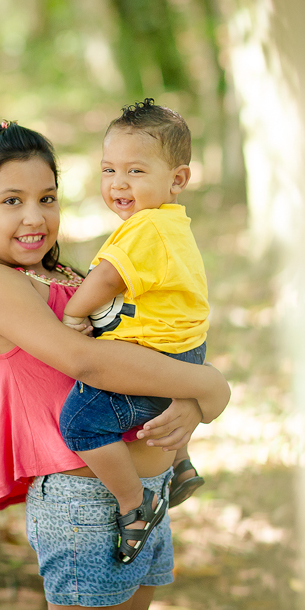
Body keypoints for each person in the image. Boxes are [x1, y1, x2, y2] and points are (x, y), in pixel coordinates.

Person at [0, 121, 230, 610]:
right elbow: (87, 362)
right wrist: (209, 385)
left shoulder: (68, 277)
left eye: (47, 198)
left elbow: (143, 355)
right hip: (86, 507)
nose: (35, 216)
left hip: (147, 500)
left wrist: (180, 403)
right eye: (12, 201)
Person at [58, 100, 210, 565]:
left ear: (177, 180)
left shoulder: (145, 228)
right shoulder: (172, 226)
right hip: (184, 352)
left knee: (80, 422)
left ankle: (133, 506)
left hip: (156, 359)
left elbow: (105, 278)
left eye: (136, 171)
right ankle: (180, 462)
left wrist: (72, 315)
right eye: (109, 170)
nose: (118, 184)